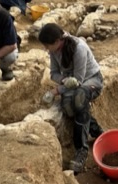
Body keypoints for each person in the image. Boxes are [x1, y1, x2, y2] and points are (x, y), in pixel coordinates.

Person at [38, 23, 105, 175]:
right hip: (71, 83)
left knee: (80, 98)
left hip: (92, 80)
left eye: (47, 45)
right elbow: (53, 74)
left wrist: (56, 90)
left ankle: (81, 150)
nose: (46, 49)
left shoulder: (78, 48)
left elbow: (79, 81)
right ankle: (97, 131)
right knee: (68, 108)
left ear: (56, 41)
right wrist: (64, 81)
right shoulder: (54, 51)